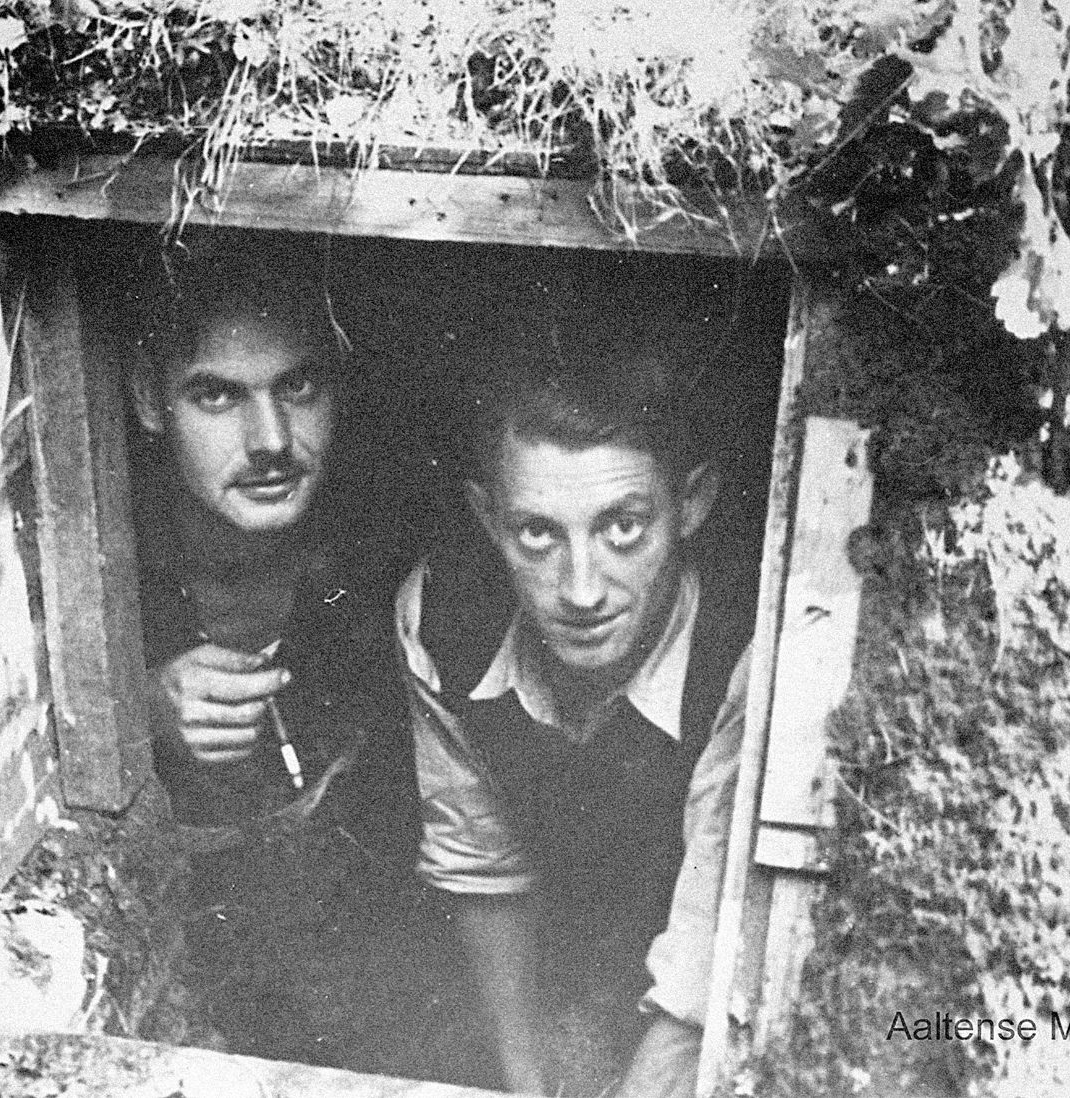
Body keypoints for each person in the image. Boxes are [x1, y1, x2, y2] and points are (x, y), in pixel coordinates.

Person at [393, 329, 750, 1094]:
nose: (581, 589)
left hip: (696, 979)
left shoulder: (746, 646)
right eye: (537, 534)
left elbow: (708, 936)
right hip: (571, 964)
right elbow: (478, 863)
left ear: (690, 505)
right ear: (488, 519)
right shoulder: (440, 616)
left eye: (623, 527)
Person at [124, 241, 422, 1063]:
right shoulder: (99, 557)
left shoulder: (389, 553)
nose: (270, 441)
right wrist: (131, 707)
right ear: (150, 401)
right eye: (217, 395)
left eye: (297, 387)